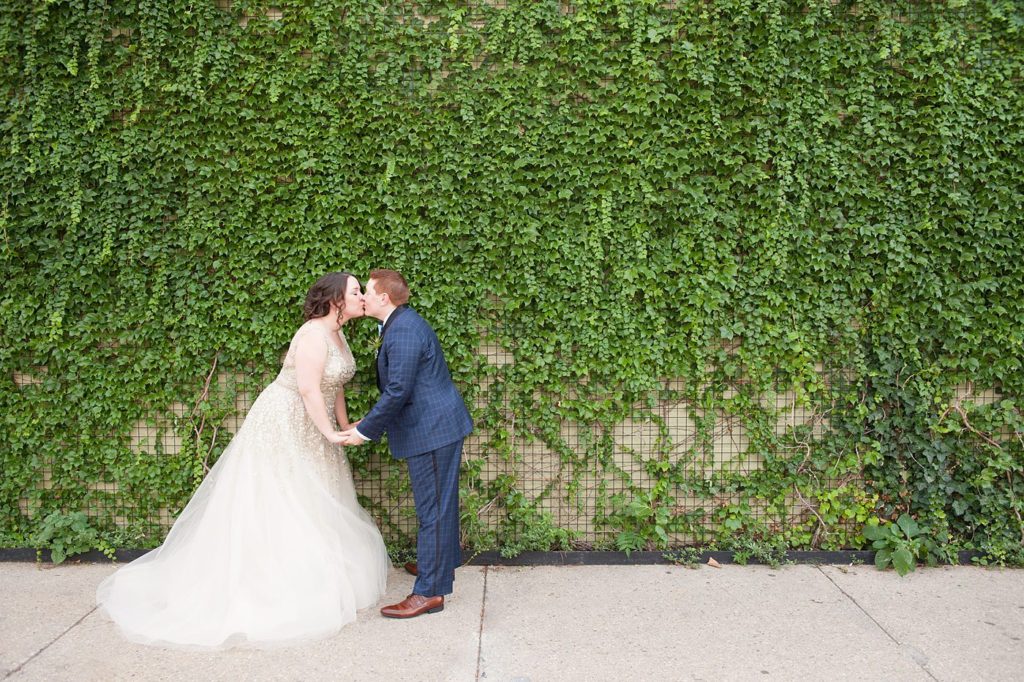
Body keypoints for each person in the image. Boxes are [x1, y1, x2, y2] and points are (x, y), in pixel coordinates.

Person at [96, 272, 390, 649]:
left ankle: (313, 576)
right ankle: (272, 584)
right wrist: (330, 433)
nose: (361, 297)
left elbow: (335, 385)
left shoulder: (339, 333)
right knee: (283, 495)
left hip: (315, 419)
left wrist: (344, 423)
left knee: (315, 494)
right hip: (285, 419)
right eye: (354, 292)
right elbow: (307, 387)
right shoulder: (314, 334)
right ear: (336, 300)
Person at [340, 269, 473, 619]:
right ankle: (437, 565)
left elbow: (399, 389)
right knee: (438, 506)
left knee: (433, 510)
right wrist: (365, 422)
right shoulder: (398, 325)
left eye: (367, 292)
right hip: (434, 427)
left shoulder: (405, 331)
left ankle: (430, 591)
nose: (363, 298)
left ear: (384, 298)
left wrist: (365, 430)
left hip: (432, 430)